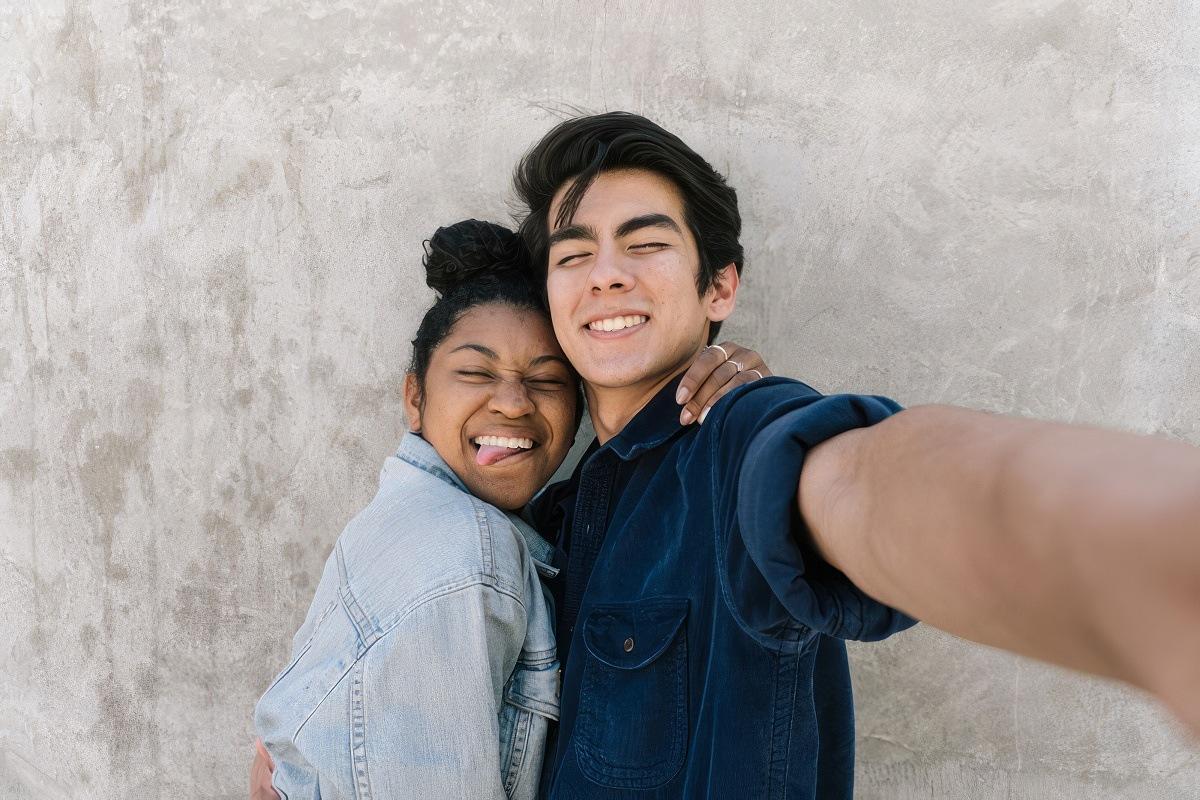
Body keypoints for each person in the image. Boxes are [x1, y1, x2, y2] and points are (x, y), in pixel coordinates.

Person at [505, 111, 1199, 798]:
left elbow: (858, 483)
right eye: (572, 255)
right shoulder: (563, 504)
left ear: (719, 286)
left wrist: (1130, 547)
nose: (604, 276)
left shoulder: (741, 428)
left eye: (644, 244)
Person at [250, 219, 769, 799]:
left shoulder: (457, 527)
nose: (513, 403)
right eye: (475, 373)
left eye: (547, 381)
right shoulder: (466, 554)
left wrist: (725, 400)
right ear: (414, 398)